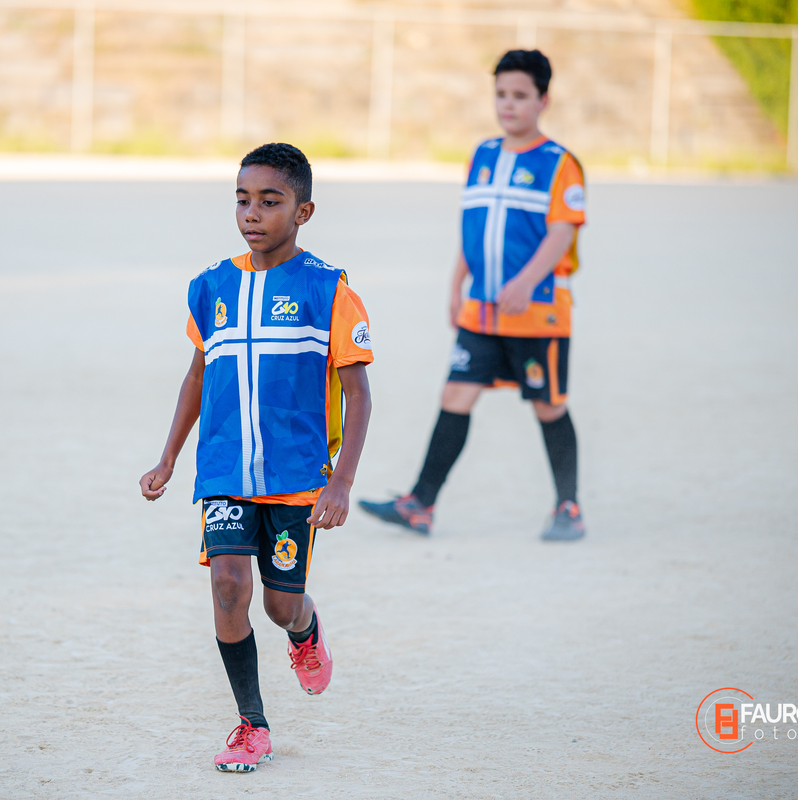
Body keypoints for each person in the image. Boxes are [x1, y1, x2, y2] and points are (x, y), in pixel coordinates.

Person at [139, 143, 374, 773]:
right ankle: (251, 724)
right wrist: (168, 458)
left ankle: (304, 630)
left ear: (303, 212)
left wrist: (341, 483)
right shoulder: (212, 286)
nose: (252, 212)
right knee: (227, 586)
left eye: (270, 201)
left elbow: (358, 395)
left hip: (296, 478)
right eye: (243, 199)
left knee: (278, 605)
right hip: (223, 469)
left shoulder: (328, 290)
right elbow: (197, 376)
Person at [358, 49, 586, 541]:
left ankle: (568, 507)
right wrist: (455, 283)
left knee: (548, 405)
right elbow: (474, 230)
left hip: (537, 313)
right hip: (482, 312)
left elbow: (562, 232)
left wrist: (526, 282)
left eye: (520, 95)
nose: (508, 104)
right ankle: (420, 504)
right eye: (501, 94)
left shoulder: (559, 164)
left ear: (543, 100)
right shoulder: (482, 156)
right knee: (455, 394)